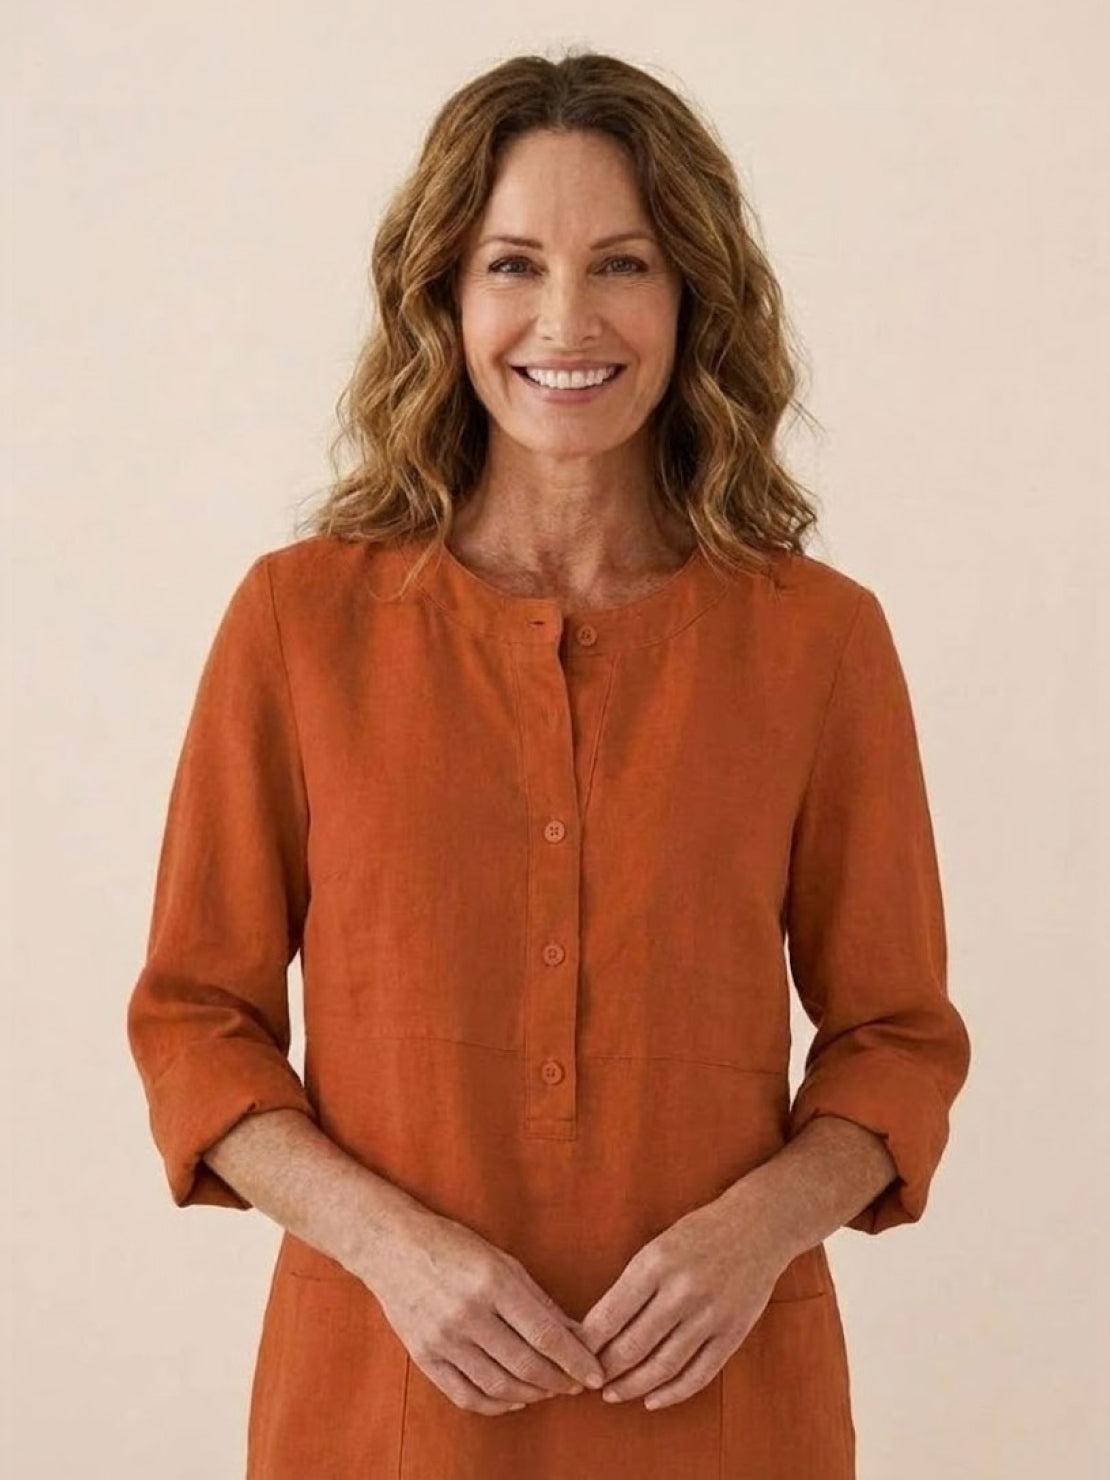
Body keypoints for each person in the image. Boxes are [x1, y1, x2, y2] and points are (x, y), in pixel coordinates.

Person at [125, 48, 972, 1480]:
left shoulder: (816, 641)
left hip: (720, 1407)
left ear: (690, 294)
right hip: (382, 1408)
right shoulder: (301, 622)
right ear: (443, 302)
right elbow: (193, 1025)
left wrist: (752, 1232)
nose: (564, 319)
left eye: (622, 264)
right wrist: (391, 1248)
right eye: (511, 263)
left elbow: (896, 1042)